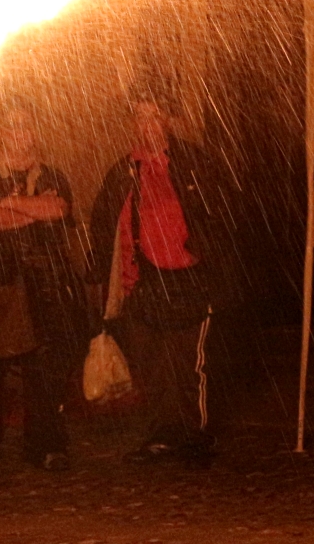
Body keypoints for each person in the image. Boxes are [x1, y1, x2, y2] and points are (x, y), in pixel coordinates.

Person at [88, 88, 228, 466]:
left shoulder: (195, 162)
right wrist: (105, 279)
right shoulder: (122, 170)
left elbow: (220, 213)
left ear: (168, 120)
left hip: (189, 277)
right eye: (139, 116)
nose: (147, 124)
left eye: (154, 116)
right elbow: (102, 225)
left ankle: (194, 435)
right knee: (152, 363)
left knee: (188, 364)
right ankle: (162, 434)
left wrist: (207, 256)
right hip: (142, 280)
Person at [0, 103, 86, 477]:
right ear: (0, 133)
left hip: (45, 286)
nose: (19, 134)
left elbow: (59, 210)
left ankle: (47, 446)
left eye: (25, 126)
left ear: (36, 132)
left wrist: (10, 204)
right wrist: (32, 208)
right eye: (11, 127)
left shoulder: (53, 174)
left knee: (46, 371)